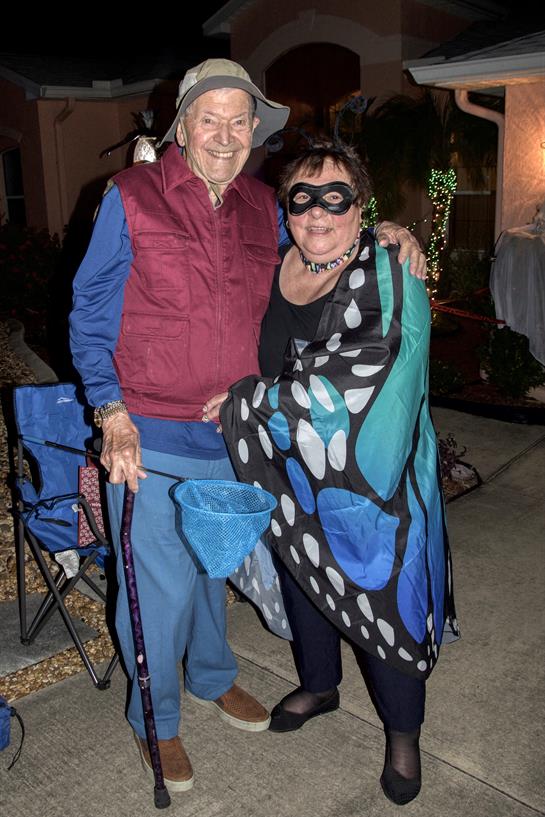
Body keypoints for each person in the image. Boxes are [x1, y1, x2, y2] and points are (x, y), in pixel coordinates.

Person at [69, 59, 426, 793]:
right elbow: (88, 313)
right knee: (157, 588)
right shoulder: (130, 197)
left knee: (212, 572)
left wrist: (387, 226)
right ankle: (155, 719)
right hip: (153, 433)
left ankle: (211, 675)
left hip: (235, 436)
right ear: (183, 127)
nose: (227, 135)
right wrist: (111, 414)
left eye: (241, 121)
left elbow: (324, 234)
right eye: (211, 118)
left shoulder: (263, 204)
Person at [208, 141, 459, 806]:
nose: (317, 211)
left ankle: (403, 735)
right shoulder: (275, 258)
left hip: (372, 487)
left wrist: (249, 402)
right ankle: (319, 684)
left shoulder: (389, 271)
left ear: (359, 204)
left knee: (383, 600)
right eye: (302, 196)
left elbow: (371, 373)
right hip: (291, 476)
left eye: (335, 197)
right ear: (283, 206)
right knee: (301, 575)